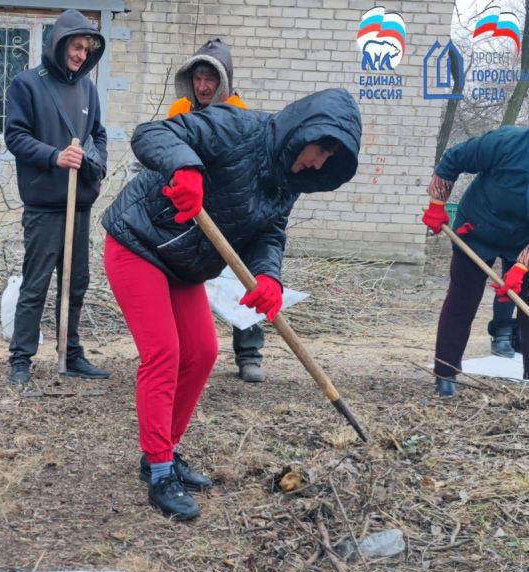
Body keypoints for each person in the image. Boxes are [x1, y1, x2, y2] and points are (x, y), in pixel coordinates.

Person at [102, 89, 361, 520]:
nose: (319, 164)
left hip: (185, 265)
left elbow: (269, 234)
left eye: (328, 159)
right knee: (164, 353)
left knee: (203, 353)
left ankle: (163, 452)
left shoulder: (289, 181)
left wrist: (269, 277)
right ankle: (160, 472)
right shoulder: (237, 128)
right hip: (138, 242)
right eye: (320, 150)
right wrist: (185, 168)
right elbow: (152, 134)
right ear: (303, 132)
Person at [4, 9, 108, 385]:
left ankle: (71, 352)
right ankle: (21, 358)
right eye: (75, 46)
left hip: (79, 203)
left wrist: (96, 163)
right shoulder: (27, 85)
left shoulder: (88, 89)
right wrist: (55, 156)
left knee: (76, 282)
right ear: (59, 44)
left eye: (86, 49)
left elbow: (98, 135)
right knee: (36, 284)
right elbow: (15, 136)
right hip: (44, 204)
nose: (81, 54)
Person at [167, 39, 266, 384]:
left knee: (242, 278)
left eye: (210, 79)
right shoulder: (180, 110)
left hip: (230, 209)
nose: (203, 86)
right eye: (198, 78)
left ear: (224, 81)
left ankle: (249, 353)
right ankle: (182, 351)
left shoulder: (240, 114)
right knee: (181, 278)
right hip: (188, 211)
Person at [422, 126, 529, 397]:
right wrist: (437, 205)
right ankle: (446, 372)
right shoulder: (506, 142)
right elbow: (453, 159)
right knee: (463, 299)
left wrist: (521, 266)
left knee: (527, 304)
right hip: (476, 229)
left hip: (523, 239)